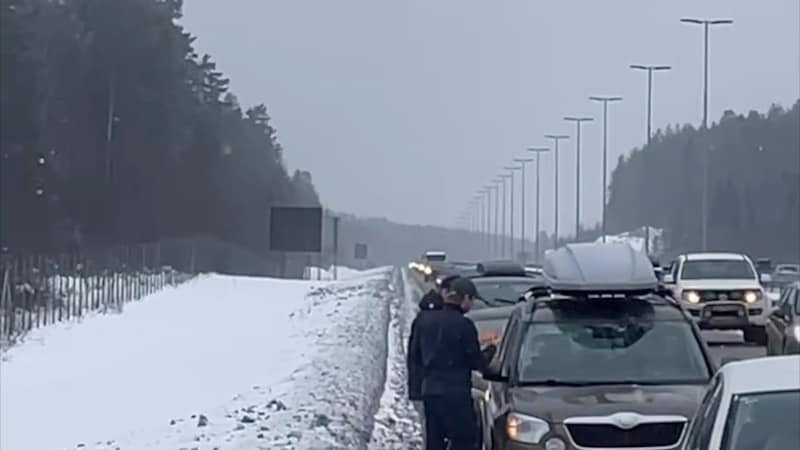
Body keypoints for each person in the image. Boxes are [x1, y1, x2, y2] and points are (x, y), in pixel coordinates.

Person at [412, 277, 496, 450]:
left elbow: (414, 356)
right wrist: (490, 353)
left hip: (431, 391)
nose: (471, 305)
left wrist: (416, 390)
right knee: (463, 439)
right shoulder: (464, 325)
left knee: (435, 440)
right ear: (465, 298)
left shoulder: (424, 320)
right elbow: (474, 360)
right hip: (456, 394)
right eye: (471, 300)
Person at [407, 273, 459, 447]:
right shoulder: (431, 315)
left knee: (436, 434)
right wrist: (416, 388)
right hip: (431, 386)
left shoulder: (445, 313)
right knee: (434, 432)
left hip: (435, 386)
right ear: (443, 291)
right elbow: (416, 355)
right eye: (453, 292)